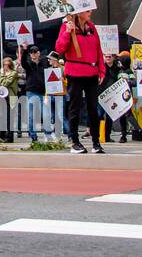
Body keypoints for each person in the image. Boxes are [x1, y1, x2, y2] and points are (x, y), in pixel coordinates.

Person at [54, 10, 106, 153]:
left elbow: (98, 50)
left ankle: (96, 142)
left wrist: (101, 70)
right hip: (75, 73)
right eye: (87, 10)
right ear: (78, 12)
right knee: (74, 108)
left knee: (93, 109)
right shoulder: (67, 26)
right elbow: (59, 48)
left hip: (92, 73)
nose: (90, 12)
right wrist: (67, 33)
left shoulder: (91, 27)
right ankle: (75, 142)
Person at [19, 46, 52, 142]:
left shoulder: (44, 63)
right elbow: (23, 62)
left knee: (45, 114)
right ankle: (33, 135)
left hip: (43, 92)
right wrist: (24, 50)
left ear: (38, 53)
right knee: (31, 115)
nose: (33, 53)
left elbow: (53, 63)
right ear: (30, 54)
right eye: (31, 52)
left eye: (35, 52)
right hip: (31, 92)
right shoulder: (28, 64)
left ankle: (48, 134)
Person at [0, 56, 21, 143]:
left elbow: (5, 83)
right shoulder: (3, 72)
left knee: (10, 117)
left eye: (7, 64)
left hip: (12, 96)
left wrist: (3, 75)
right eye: (4, 64)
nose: (6, 66)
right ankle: (2, 135)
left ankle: (10, 137)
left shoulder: (13, 73)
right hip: (3, 96)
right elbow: (2, 82)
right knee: (2, 116)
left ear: (10, 65)